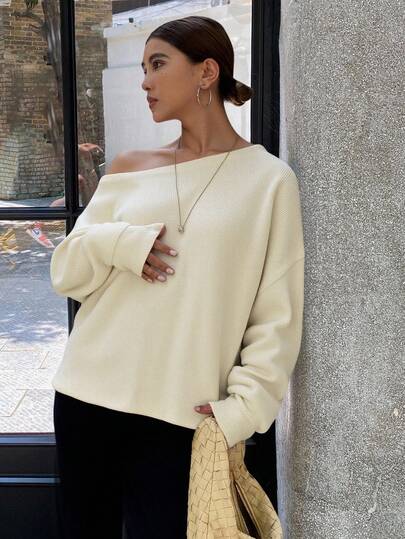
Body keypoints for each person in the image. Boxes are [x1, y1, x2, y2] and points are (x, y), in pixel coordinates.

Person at [50, 15, 305, 539]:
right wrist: (121, 243)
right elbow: (66, 270)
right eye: (143, 68)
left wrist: (243, 410)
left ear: (206, 71)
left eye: (158, 64)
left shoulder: (269, 182)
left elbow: (276, 316)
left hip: (183, 416)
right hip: (87, 394)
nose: (145, 81)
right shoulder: (130, 167)